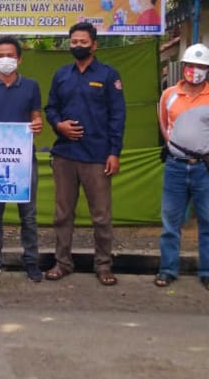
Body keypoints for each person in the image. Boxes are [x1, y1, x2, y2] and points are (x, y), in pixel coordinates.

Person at [44, 22, 126, 286]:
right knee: (62, 214)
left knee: (101, 216)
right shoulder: (61, 75)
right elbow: (51, 107)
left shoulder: (107, 75)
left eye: (83, 41)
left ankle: (103, 266)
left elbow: (117, 116)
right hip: (65, 155)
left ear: (94, 44)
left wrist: (114, 152)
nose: (78, 46)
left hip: (97, 156)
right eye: (74, 42)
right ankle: (62, 263)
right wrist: (59, 125)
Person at [155, 43, 209, 292]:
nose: (195, 70)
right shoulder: (169, 96)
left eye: (201, 67)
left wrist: (201, 149)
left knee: (207, 223)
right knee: (170, 223)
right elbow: (165, 128)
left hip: (204, 169)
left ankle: (208, 272)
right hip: (175, 167)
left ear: (208, 70)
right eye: (191, 65)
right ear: (183, 67)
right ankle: (167, 270)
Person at [0, 36, 45, 282]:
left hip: (24, 159)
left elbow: (37, 119)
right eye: (1, 55)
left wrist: (37, 125)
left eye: (10, 55)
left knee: (28, 214)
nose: (6, 59)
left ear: (19, 59)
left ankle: (31, 262)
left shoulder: (31, 86)